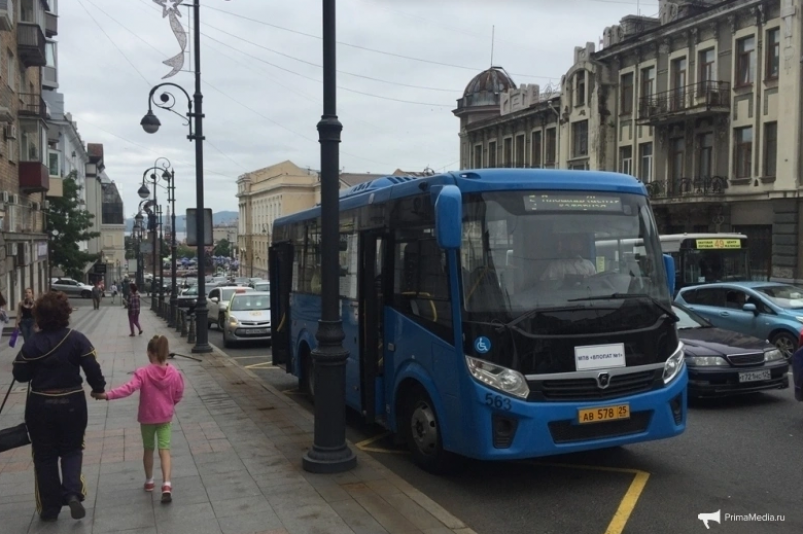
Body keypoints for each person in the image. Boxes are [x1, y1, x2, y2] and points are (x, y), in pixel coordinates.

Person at [12, 291, 107, 522]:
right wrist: (98, 388)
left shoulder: (33, 344)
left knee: (44, 456)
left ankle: (50, 507)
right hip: (72, 403)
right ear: (66, 313)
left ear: (38, 316)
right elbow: (92, 368)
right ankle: (72, 492)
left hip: (40, 405)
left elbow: (20, 374)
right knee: (72, 449)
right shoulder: (77, 339)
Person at [93, 336, 184, 504]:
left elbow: (128, 389)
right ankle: (166, 484)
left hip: (147, 418)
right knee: (165, 450)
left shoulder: (143, 372)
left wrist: (107, 395)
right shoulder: (174, 373)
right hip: (165, 417)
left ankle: (149, 481)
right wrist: (170, 405)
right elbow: (179, 393)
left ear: (152, 353)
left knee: (148, 449)